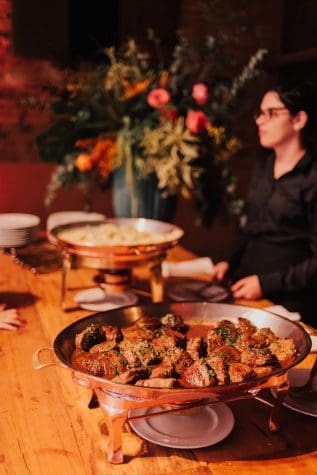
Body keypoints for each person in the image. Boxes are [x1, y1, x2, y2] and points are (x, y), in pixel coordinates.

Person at [213, 80, 317, 324]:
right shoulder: (264, 165)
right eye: (260, 113)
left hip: (289, 301)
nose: (260, 120)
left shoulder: (313, 176)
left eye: (271, 113)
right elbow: (252, 227)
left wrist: (265, 284)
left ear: (298, 120)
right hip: (245, 287)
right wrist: (230, 260)